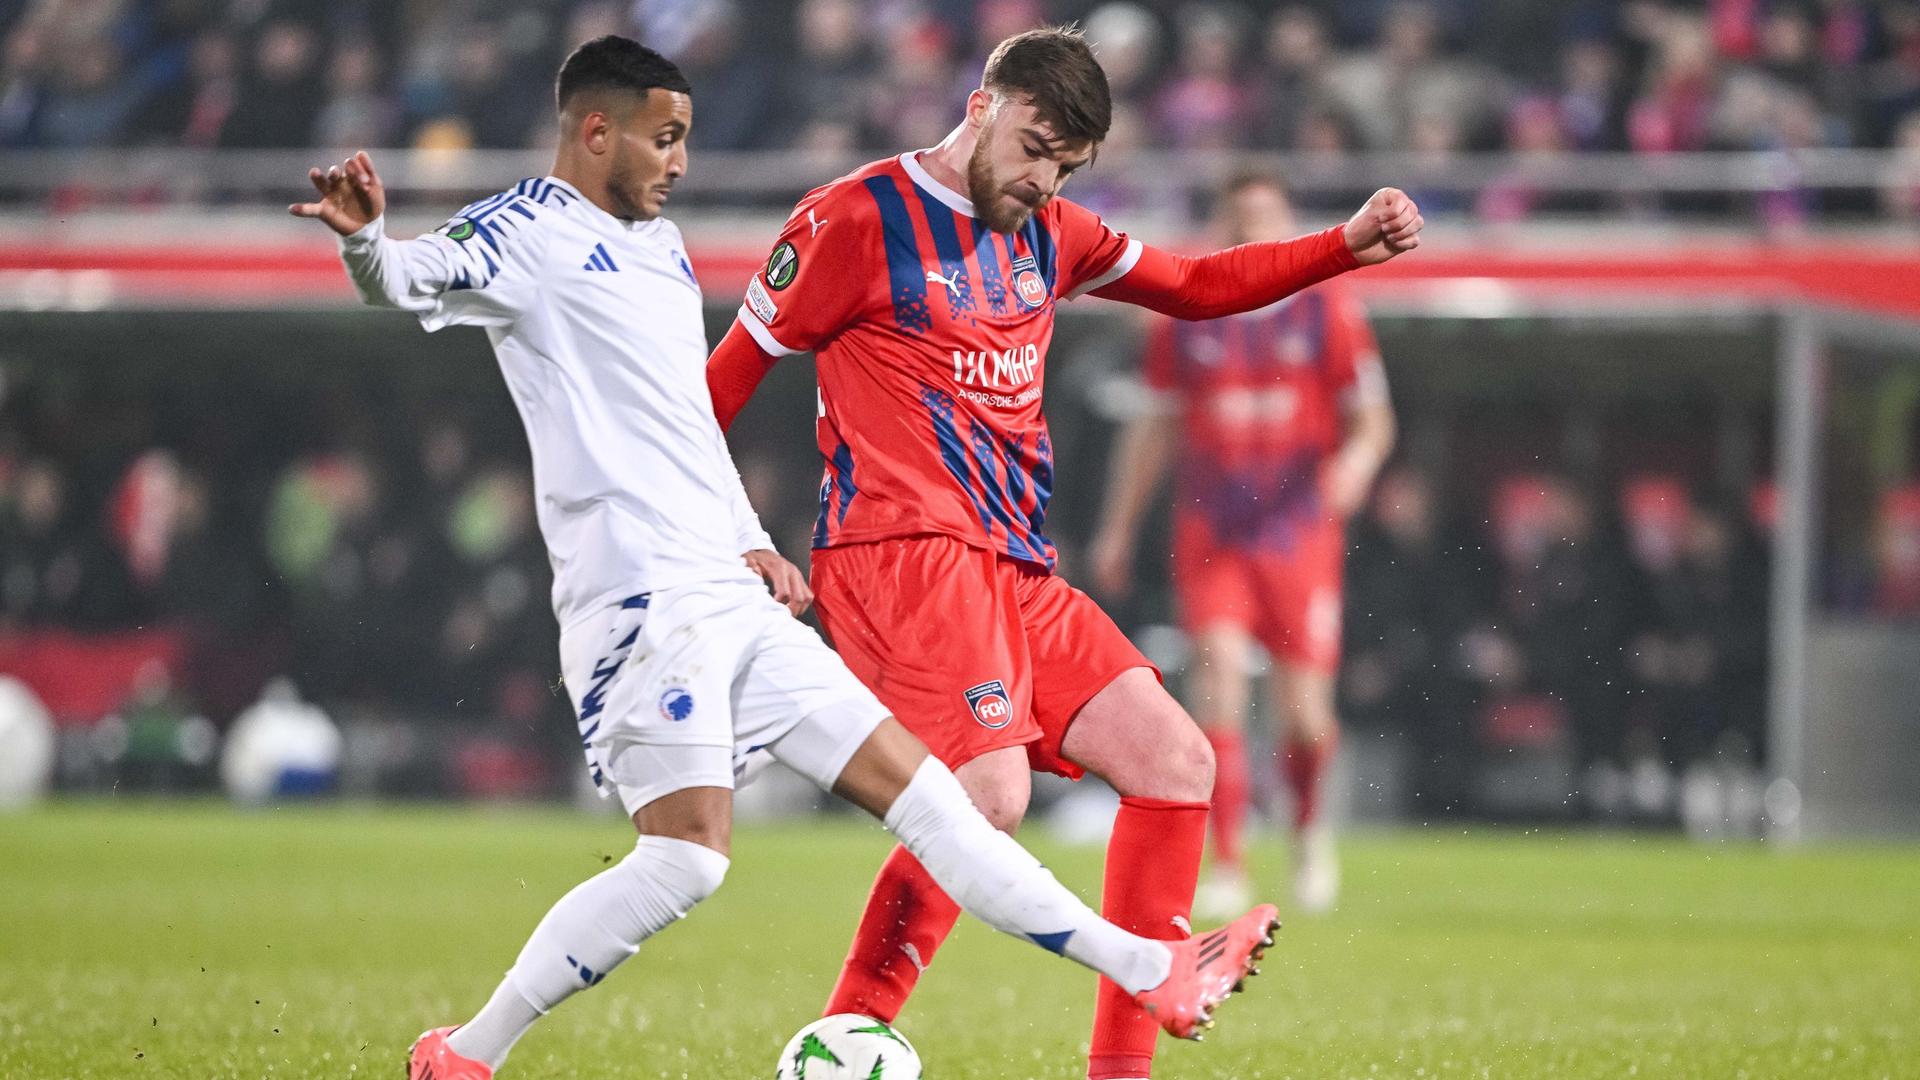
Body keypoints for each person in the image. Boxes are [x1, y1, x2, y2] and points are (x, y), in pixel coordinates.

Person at [290, 36, 1276, 1080]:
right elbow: (402, 280)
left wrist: (754, 542)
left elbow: (687, 426)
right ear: (595, 129)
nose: (679, 162)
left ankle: (1152, 971)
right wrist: (366, 242)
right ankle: (467, 1054)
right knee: (685, 862)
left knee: (950, 805)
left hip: (729, 596)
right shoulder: (524, 232)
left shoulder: (660, 251)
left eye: (686, 140)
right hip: (637, 605)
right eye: (664, 139)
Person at [705, 27, 1421, 1080]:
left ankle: (1118, 1073)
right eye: (1035, 148)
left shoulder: (1054, 231)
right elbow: (714, 387)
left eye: (1067, 166)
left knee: (1178, 764)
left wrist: (1341, 245)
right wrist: (736, 539)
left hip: (1014, 564)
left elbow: (1193, 284)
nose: (1043, 181)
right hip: (899, 552)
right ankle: (851, 1027)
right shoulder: (852, 219)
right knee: (988, 797)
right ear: (983, 103)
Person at [1089, 174, 1397, 919]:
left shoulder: (1330, 308)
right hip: (1213, 529)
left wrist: (1355, 467)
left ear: (1289, 223)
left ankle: (1306, 828)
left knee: (1305, 715)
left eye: (1266, 217)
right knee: (1219, 680)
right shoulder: (1184, 314)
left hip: (1298, 531)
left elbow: (1374, 418)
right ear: (1221, 227)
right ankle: (1227, 859)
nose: (1252, 231)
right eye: (1239, 219)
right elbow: (1155, 428)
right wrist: (1119, 525)